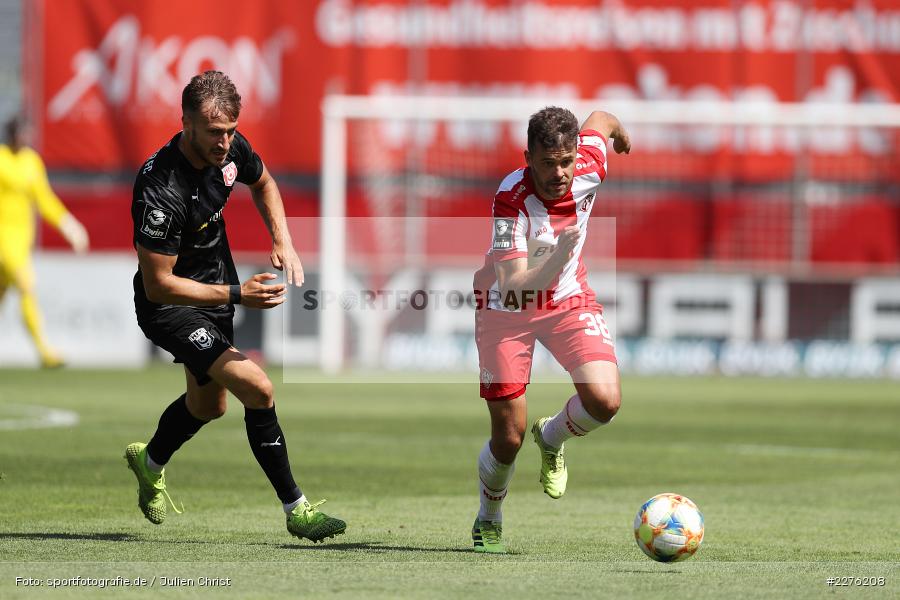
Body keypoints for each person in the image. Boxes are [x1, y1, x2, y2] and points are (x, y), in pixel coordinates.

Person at [125, 70, 345, 543]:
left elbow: (264, 183)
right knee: (258, 388)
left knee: (208, 406)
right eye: (214, 132)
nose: (225, 143)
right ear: (186, 123)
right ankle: (297, 509)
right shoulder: (160, 191)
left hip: (216, 291)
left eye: (230, 131)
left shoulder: (229, 148)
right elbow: (159, 285)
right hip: (170, 306)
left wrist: (282, 239)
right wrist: (239, 294)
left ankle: (149, 462)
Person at [471, 106, 631, 553]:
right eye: (547, 163)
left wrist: (622, 138)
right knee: (508, 437)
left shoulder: (589, 165)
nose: (559, 173)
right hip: (506, 309)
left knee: (605, 400)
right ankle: (489, 514)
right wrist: (559, 257)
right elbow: (514, 287)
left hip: (566, 299)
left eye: (566, 161)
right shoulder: (510, 199)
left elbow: (602, 117)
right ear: (528, 158)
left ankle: (554, 435)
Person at [0, 116, 89, 368]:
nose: (25, 138)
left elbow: (44, 199)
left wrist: (68, 225)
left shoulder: (31, 162)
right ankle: (44, 351)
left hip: (21, 242)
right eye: (21, 133)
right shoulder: (1, 159)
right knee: (27, 284)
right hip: (3, 241)